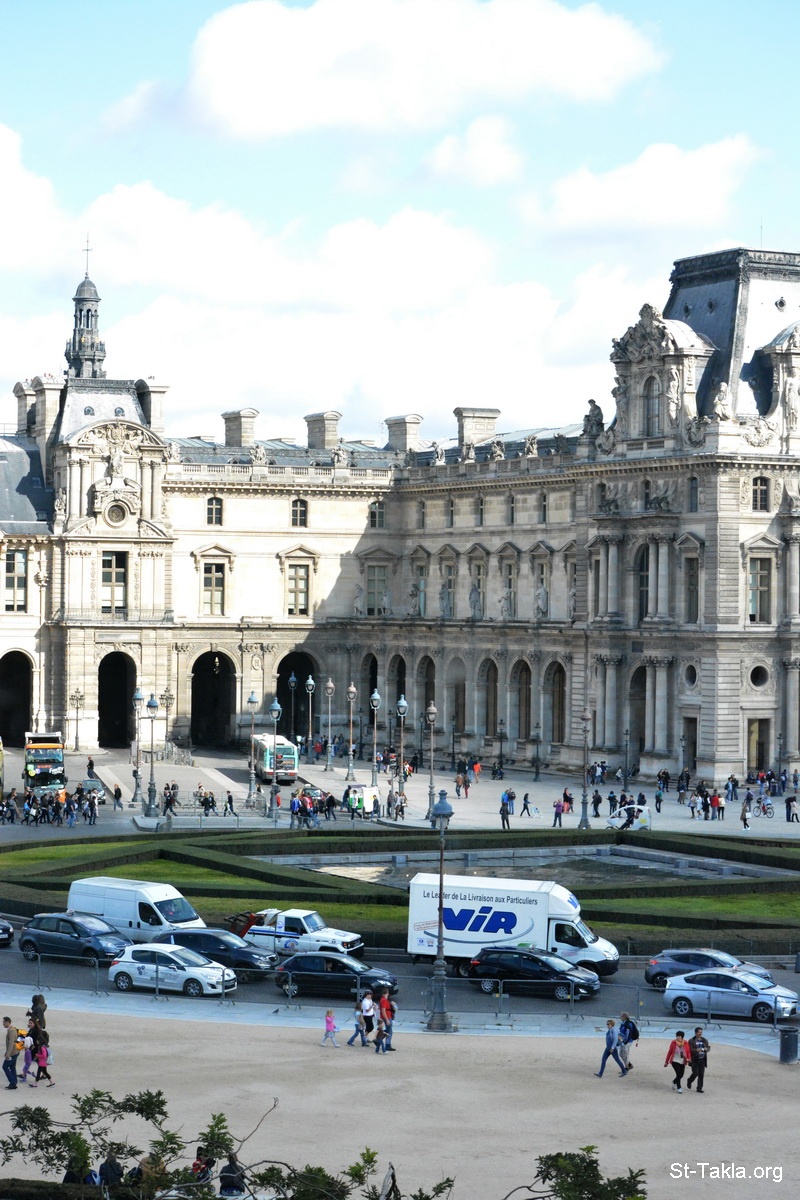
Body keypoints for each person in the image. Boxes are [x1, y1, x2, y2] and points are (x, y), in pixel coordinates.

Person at [687, 1027, 710, 1093]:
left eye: (701, 1032)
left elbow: (708, 1047)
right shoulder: (691, 1040)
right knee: (695, 1073)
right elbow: (689, 1050)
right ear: (696, 1033)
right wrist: (696, 1050)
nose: (700, 1033)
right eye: (699, 1032)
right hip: (695, 1059)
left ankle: (699, 1088)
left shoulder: (704, 1040)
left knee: (701, 1074)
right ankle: (689, 1080)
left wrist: (706, 1049)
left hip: (702, 1059)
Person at [2, 1017, 19, 1090]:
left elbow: (11, 1043)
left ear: (7, 1022)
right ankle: (14, 1082)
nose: (3, 1024)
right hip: (15, 1051)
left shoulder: (11, 1031)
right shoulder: (13, 1029)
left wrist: (8, 1053)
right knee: (12, 1067)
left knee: (5, 1066)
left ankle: (12, 1082)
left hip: (12, 1052)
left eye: (3, 1022)